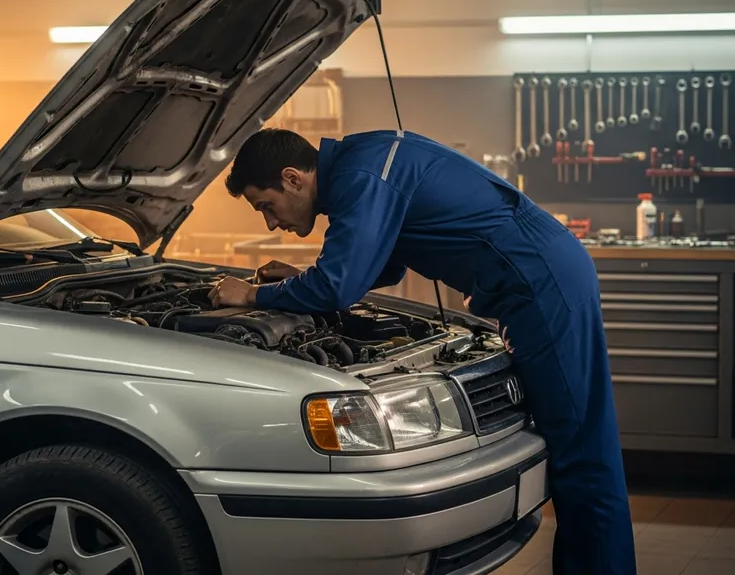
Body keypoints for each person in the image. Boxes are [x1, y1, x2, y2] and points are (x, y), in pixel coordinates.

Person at [208, 127, 636, 574]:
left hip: (541, 285)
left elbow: (338, 286)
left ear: (293, 178)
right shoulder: (361, 165)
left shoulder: (362, 176)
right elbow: (383, 265)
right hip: (537, 280)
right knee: (579, 444)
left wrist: (252, 296)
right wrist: (300, 281)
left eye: (266, 207)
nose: (271, 223)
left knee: (583, 455)